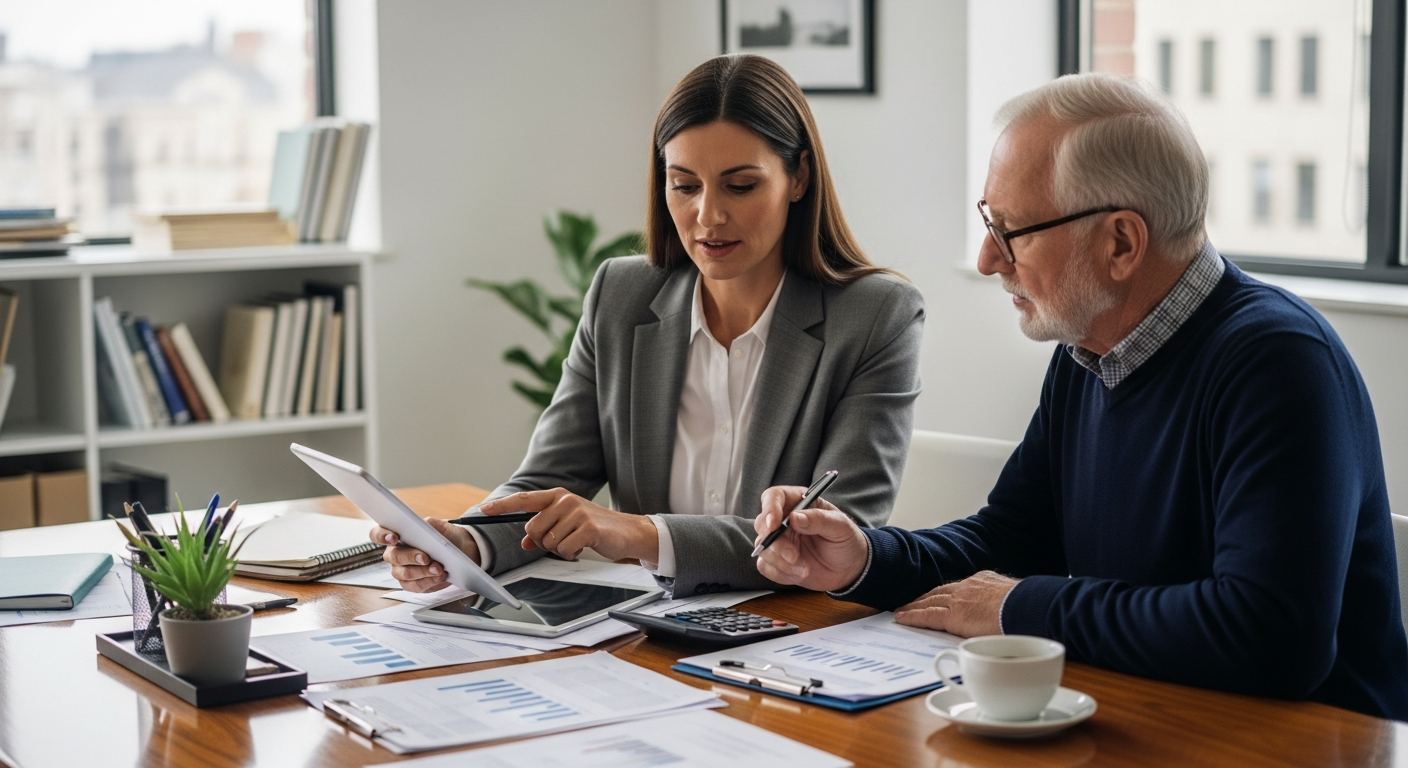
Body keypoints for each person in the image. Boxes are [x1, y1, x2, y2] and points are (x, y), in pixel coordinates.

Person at [753, 72, 1408, 720]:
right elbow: (1010, 539)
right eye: (988, 222)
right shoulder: (1089, 351)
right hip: (1152, 718)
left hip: (1306, 744)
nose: (987, 258)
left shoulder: (1280, 363)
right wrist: (865, 558)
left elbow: (1269, 637)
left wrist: (1020, 607)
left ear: (1121, 242)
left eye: (1011, 230)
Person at [371, 54, 924, 599]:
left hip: (793, 633)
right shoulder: (622, 294)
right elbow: (549, 482)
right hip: (647, 630)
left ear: (798, 177)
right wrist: (463, 543)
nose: (709, 215)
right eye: (685, 185)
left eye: (740, 186)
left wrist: (637, 532)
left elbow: (835, 533)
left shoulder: (877, 315)